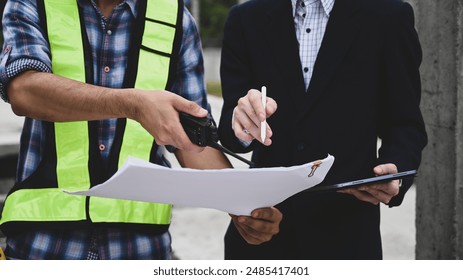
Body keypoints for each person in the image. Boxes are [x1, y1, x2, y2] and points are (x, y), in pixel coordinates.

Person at [0, 0, 282, 260]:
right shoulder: (34, 4)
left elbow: (193, 143)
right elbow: (24, 91)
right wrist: (133, 104)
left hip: (141, 250)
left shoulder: (175, 20)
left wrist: (245, 207)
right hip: (44, 247)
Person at [218, 0, 427, 259]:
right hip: (259, 232)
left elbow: (405, 125)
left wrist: (396, 171)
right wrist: (241, 124)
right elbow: (230, 126)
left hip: (347, 236)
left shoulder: (389, 15)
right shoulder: (245, 18)